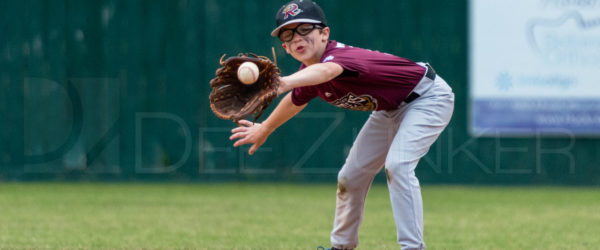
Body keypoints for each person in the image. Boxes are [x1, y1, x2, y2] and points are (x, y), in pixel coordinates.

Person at [229, 0, 454, 249]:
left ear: (325, 33)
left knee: (398, 165)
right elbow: (295, 100)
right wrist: (265, 128)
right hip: (390, 109)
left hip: (427, 97)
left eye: (304, 29)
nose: (296, 38)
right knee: (350, 176)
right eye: (288, 34)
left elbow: (327, 72)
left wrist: (283, 82)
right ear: (285, 48)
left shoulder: (340, 57)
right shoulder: (308, 72)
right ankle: (341, 246)